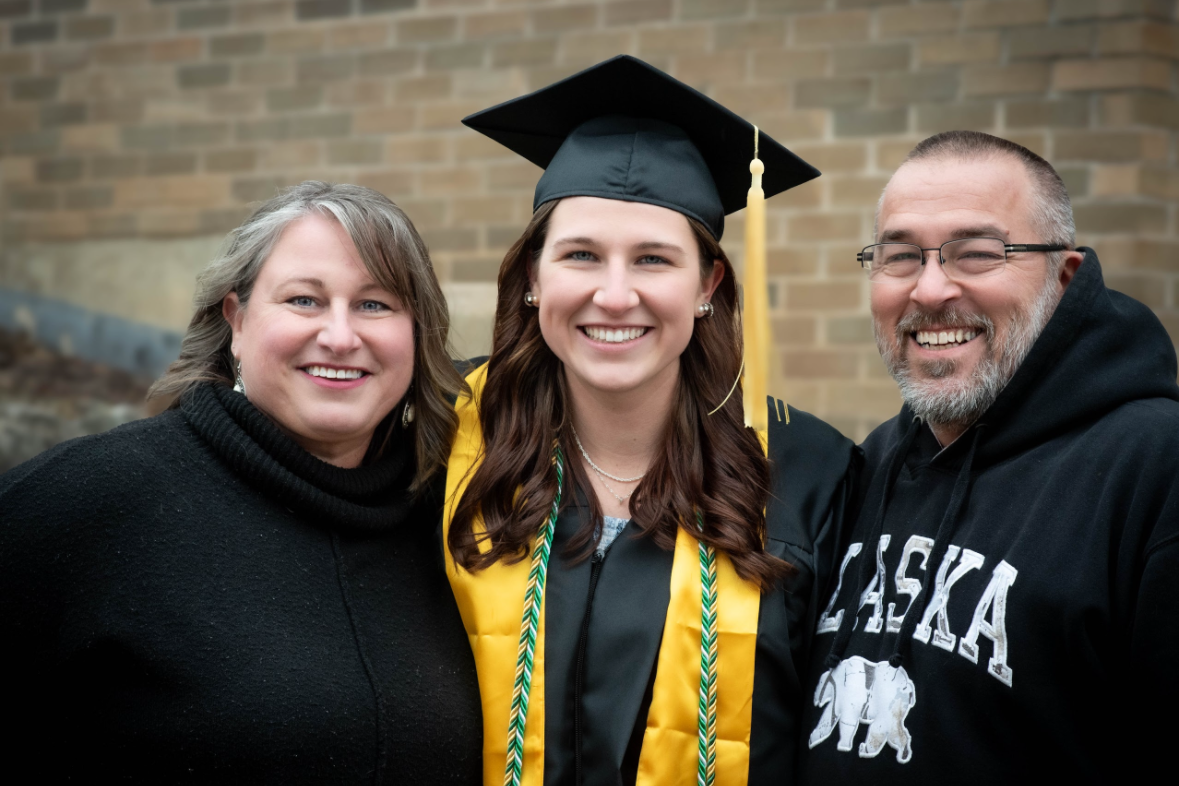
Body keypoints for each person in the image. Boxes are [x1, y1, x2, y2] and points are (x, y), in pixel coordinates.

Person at [443, 56, 856, 785]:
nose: (613, 293)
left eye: (653, 260)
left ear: (707, 284)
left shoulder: (810, 476)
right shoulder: (452, 445)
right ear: (534, 279)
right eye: (579, 255)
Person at [0, 181, 483, 782]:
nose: (339, 335)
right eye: (304, 300)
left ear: (417, 335)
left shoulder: (453, 520)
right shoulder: (89, 500)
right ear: (237, 319)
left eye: (376, 304)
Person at [797, 131, 1179, 782]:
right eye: (898, 257)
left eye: (976, 254)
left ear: (1066, 277)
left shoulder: (1153, 467)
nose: (929, 289)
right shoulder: (872, 463)